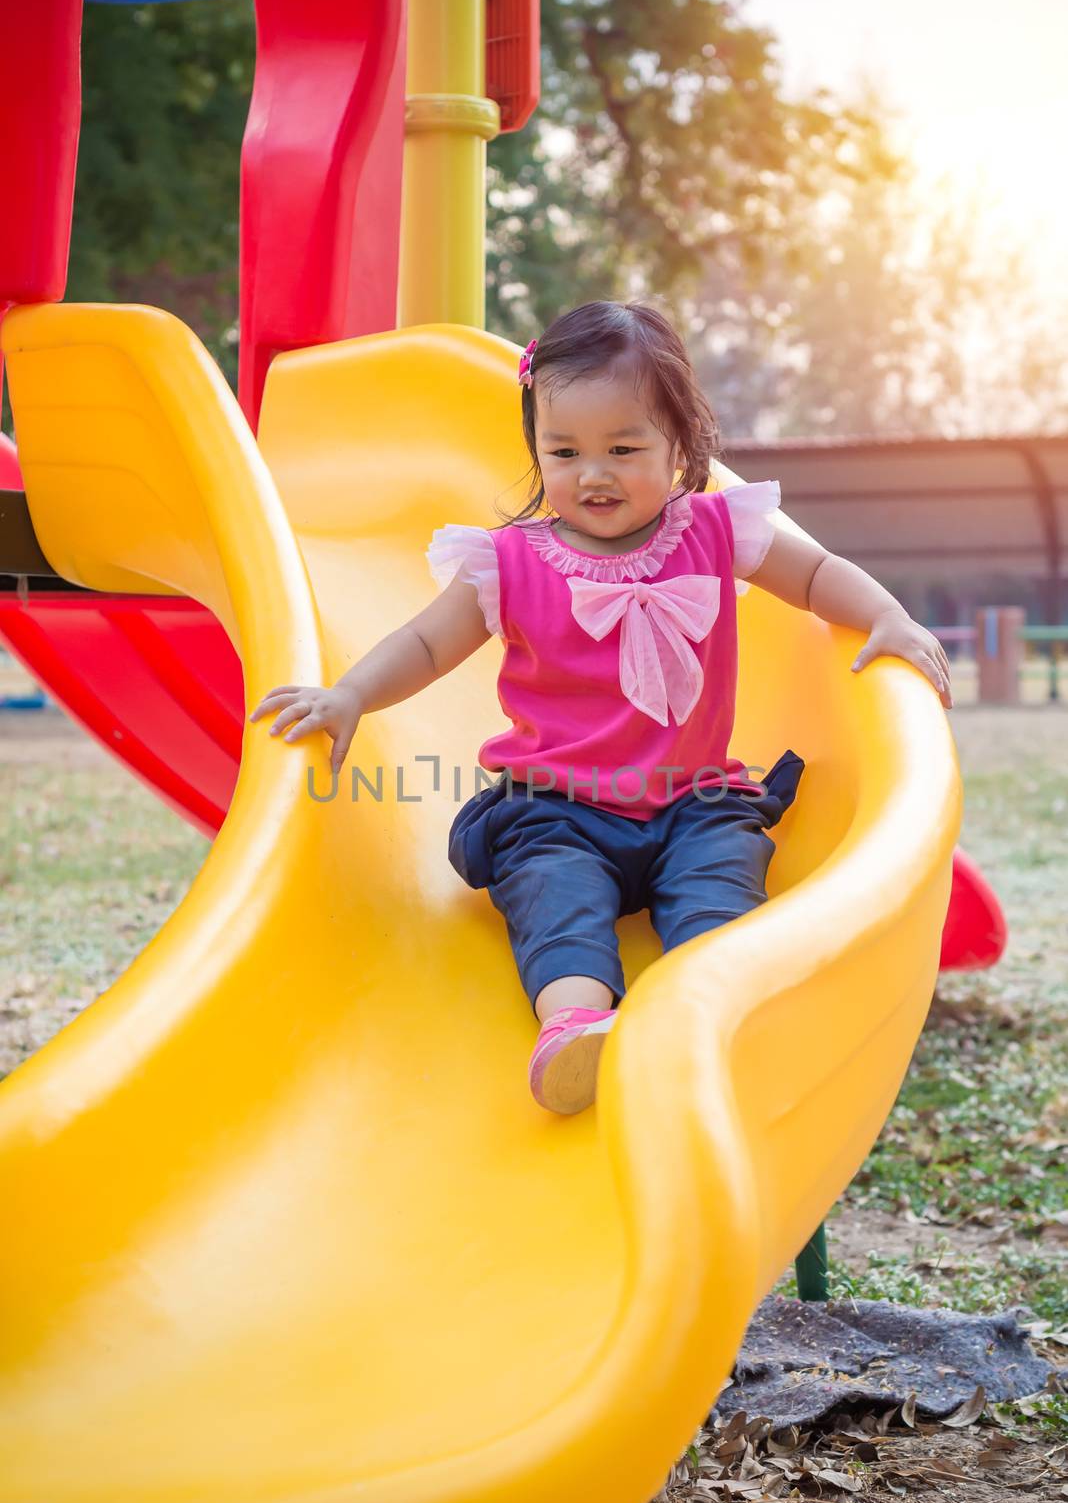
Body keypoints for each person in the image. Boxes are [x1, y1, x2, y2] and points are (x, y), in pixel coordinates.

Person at [249, 300, 953, 1117]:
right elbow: (426, 643)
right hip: (558, 806)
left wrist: (887, 615)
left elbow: (817, 573)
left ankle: (713, 1015)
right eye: (564, 451)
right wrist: (351, 696)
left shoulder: (719, 531)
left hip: (693, 798)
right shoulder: (508, 563)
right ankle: (580, 1025)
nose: (593, 473)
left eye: (624, 449)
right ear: (537, 450)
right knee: (554, 890)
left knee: (720, 881)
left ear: (679, 446)